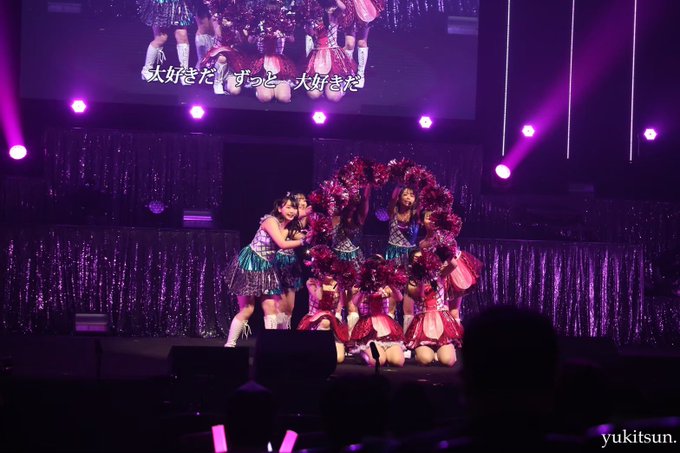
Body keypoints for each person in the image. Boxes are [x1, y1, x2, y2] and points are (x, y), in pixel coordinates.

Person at [224, 196, 307, 347]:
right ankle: (229, 345)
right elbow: (282, 244)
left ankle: (270, 347)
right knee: (247, 309)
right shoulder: (270, 221)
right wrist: (304, 241)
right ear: (279, 208)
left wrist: (314, 235)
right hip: (250, 264)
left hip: (267, 268)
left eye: (294, 208)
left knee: (271, 308)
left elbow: (303, 235)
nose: (292, 211)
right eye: (288, 207)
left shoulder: (287, 228)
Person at [404, 252, 462, 367]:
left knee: (447, 361)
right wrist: (421, 276)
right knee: (425, 360)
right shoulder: (411, 283)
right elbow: (420, 296)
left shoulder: (439, 275)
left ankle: (443, 351)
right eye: (417, 259)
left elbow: (454, 265)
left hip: (441, 318)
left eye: (422, 258)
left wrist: (445, 249)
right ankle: (424, 353)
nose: (420, 260)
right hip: (423, 320)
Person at [349, 256, 405, 367]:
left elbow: (399, 298)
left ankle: (385, 351)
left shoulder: (386, 286)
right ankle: (361, 352)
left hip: (385, 325)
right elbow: (355, 303)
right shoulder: (362, 285)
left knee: (398, 361)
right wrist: (364, 287)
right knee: (378, 361)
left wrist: (391, 282)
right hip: (368, 326)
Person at [303, 0, 356, 102]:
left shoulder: (333, 13)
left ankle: (340, 85)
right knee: (313, 95)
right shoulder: (312, 14)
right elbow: (310, 33)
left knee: (333, 97)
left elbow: (343, 7)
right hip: (317, 57)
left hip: (333, 56)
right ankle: (322, 86)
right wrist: (308, 19)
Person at [385, 186, 418, 331]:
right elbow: (392, 198)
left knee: (409, 297)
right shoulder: (393, 212)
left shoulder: (416, 215)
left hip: (410, 258)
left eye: (412, 195)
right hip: (394, 257)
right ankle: (389, 333)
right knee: (392, 296)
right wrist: (399, 183)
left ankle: (408, 335)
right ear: (399, 197)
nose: (408, 197)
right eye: (405, 194)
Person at [138, 0, 194, 84]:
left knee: (182, 35)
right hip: (161, 3)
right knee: (161, 38)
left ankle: (184, 73)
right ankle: (146, 70)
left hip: (179, 3)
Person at [298, 275, 349, 363]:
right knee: (325, 322)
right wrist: (319, 284)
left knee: (339, 358)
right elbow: (319, 297)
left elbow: (344, 304)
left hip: (332, 321)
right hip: (315, 321)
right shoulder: (312, 282)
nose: (329, 273)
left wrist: (342, 289)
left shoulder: (337, 284)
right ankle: (319, 350)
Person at [343, 0, 384, 88]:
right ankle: (349, 73)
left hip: (364, 5)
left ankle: (360, 74)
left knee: (362, 42)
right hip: (349, 5)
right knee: (349, 44)